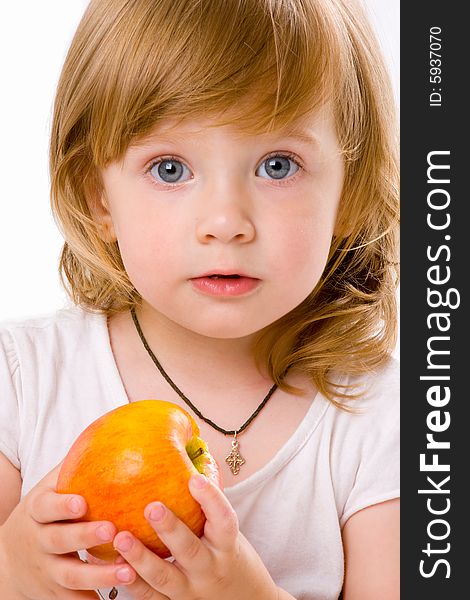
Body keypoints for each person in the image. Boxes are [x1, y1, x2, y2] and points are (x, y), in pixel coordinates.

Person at [0, 0, 399, 598]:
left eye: (277, 164)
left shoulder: (383, 419)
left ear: (351, 191)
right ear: (98, 195)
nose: (225, 222)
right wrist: (13, 573)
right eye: (169, 169)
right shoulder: (23, 379)